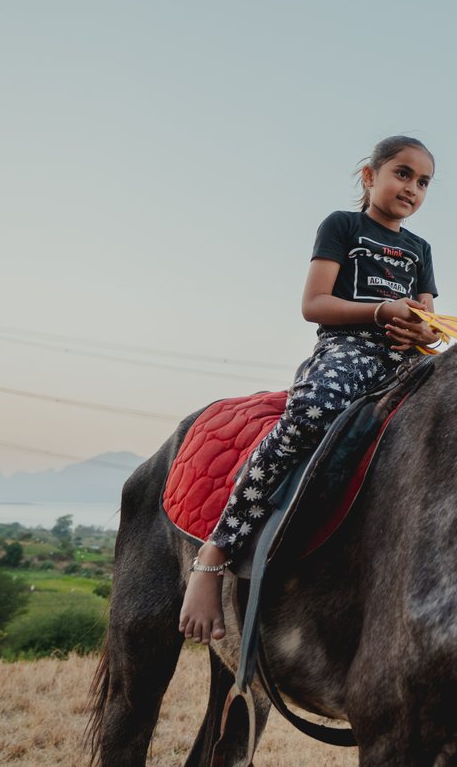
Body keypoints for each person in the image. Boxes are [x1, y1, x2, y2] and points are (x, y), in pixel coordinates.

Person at [179, 135, 441, 644]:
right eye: (403, 174)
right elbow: (315, 304)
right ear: (370, 175)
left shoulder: (421, 250)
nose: (413, 188)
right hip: (348, 351)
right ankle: (217, 549)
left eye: (424, 182)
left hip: (404, 361)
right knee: (312, 413)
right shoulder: (343, 226)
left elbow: (430, 320)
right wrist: (381, 312)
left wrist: (423, 333)